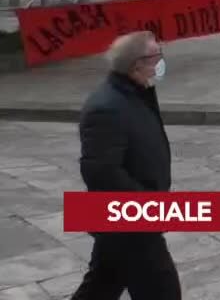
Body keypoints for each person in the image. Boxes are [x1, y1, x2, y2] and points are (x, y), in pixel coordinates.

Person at [70, 31, 181, 300]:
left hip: (124, 223)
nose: (161, 62)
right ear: (137, 64)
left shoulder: (135, 94)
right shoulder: (107, 108)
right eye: (157, 56)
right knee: (163, 292)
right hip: (129, 221)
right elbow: (101, 172)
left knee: (100, 288)